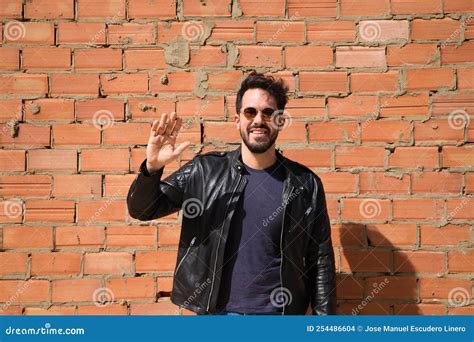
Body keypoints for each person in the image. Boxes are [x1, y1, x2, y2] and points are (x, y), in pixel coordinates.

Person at [127, 72, 336, 315]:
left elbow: (320, 259)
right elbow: (142, 210)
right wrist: (152, 169)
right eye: (250, 112)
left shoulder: (304, 184)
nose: (259, 120)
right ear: (237, 120)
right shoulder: (205, 171)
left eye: (268, 113)